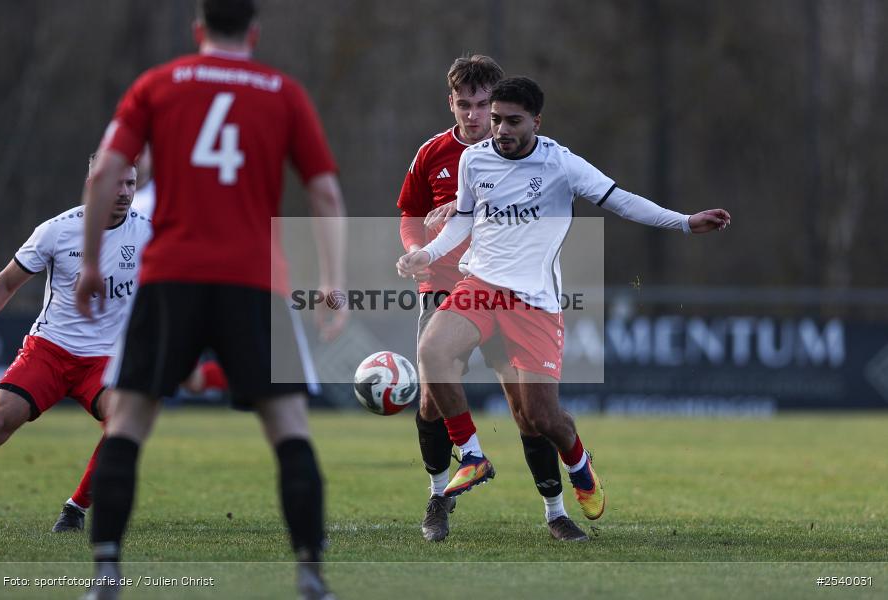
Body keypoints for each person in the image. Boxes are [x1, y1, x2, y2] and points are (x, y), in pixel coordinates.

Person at [75, 1, 346, 599]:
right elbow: (324, 192)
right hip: (256, 282)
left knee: (130, 420)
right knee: (288, 426)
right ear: (253, 31)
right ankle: (309, 573)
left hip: (171, 276)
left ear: (198, 30)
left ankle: (106, 572)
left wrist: (91, 262)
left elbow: (106, 173)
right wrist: (333, 279)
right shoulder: (282, 92)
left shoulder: (157, 84)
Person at [397, 76, 731, 524]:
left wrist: (686, 223)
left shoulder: (561, 164)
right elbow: (461, 220)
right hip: (480, 285)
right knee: (432, 351)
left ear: (536, 120)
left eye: (512, 121)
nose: (501, 130)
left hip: (534, 300)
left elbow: (622, 201)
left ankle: (578, 464)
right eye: (496, 120)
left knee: (540, 418)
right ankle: (473, 455)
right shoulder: (474, 160)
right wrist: (426, 252)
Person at [398, 56, 588, 542]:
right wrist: (418, 250)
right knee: (432, 399)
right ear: (452, 104)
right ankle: (439, 498)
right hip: (445, 287)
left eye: (484, 106)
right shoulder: (434, 153)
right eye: (466, 105)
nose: (476, 116)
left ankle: (555, 511)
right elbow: (410, 214)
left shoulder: (521, 152)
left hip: (506, 291)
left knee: (527, 409)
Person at [0, 154, 151, 533]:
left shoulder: (148, 233)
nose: (125, 193)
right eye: (116, 184)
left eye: (131, 183)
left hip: (107, 359)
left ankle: (75, 509)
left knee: (125, 424)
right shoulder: (57, 230)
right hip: (50, 349)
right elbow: (7, 285)